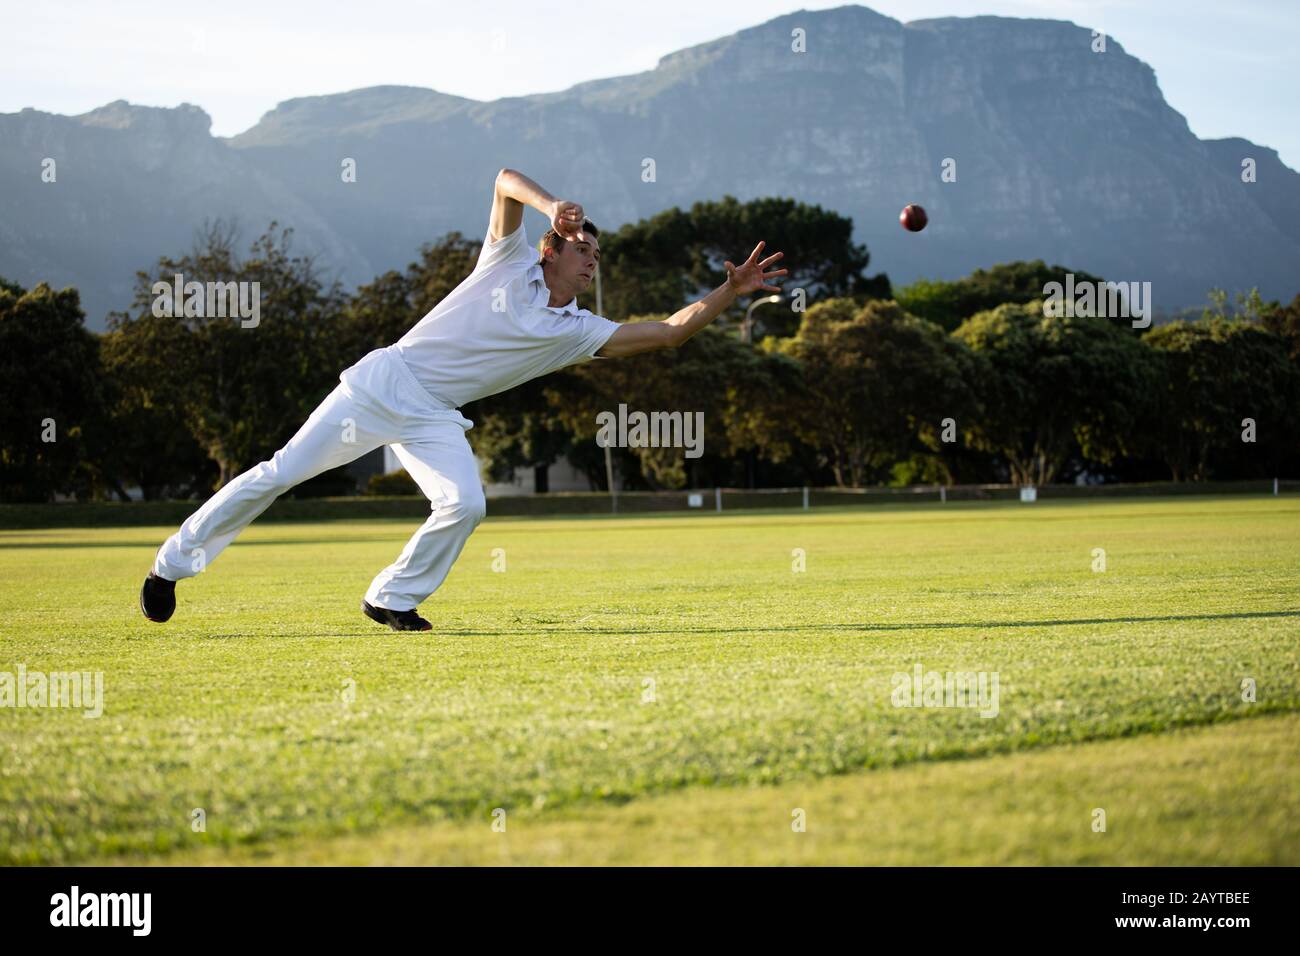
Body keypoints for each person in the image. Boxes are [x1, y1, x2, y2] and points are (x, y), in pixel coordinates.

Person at [140, 168, 787, 631]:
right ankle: (171, 565)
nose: (592, 261)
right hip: (381, 384)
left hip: (432, 417)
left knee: (467, 503)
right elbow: (504, 180)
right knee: (277, 475)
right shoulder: (503, 261)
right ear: (550, 248)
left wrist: (730, 292)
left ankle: (389, 598)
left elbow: (670, 332)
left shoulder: (578, 331)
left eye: (597, 254)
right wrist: (551, 201)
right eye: (582, 249)